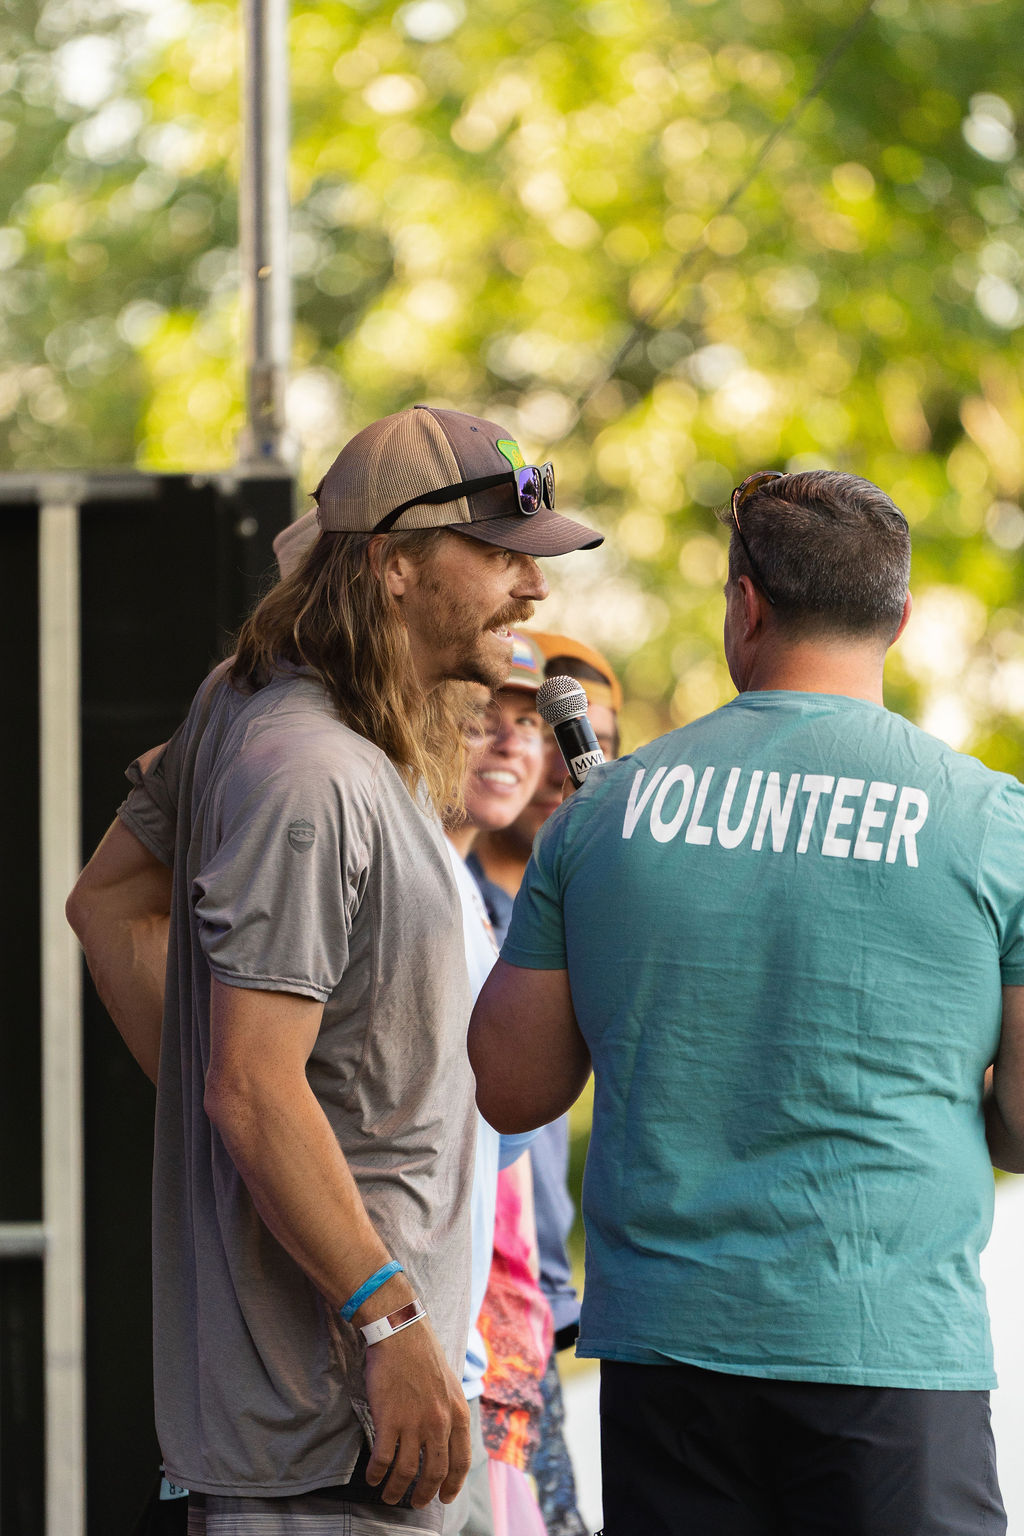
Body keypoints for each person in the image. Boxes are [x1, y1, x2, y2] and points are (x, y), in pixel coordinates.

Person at [67, 404, 601, 1536]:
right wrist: (385, 1322)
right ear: (393, 568)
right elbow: (253, 1086)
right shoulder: (308, 773)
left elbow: (105, 901)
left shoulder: (250, 709)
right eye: (501, 556)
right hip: (339, 1435)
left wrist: (240, 1124)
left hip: (363, 1427)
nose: (531, 590)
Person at [469, 468, 1024, 1536]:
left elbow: (509, 1086)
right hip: (891, 1354)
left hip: (667, 1361)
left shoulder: (603, 815)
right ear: (898, 617)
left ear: (746, 602)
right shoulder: (991, 821)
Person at [470, 634, 622, 1536]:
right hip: (450, 1327)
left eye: (587, 740)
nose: (572, 764)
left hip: (534, 1319)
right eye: (519, 724)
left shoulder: (581, 914)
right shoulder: (455, 903)